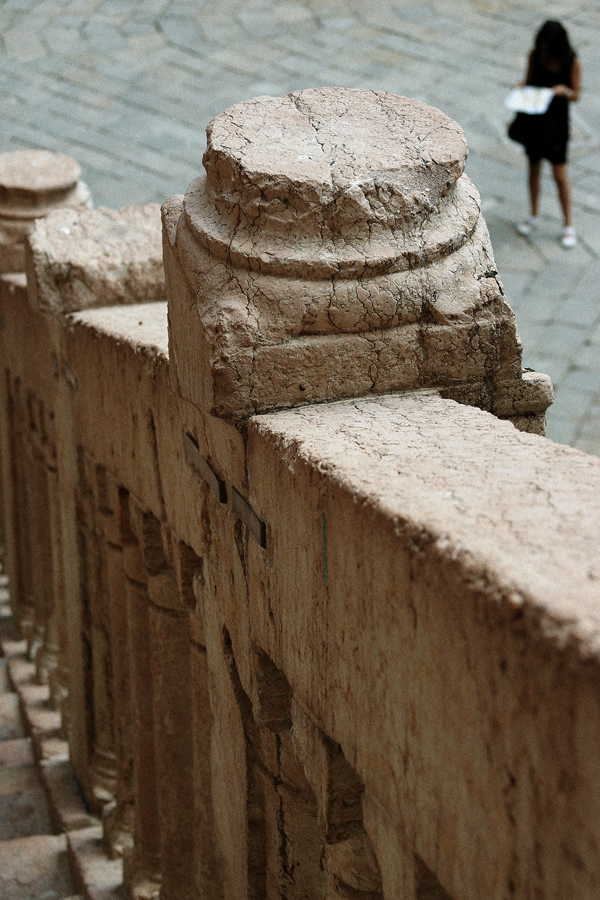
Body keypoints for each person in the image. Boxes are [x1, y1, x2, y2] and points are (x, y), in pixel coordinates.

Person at [516, 20, 581, 248]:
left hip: (556, 123)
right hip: (535, 119)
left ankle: (568, 224)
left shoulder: (571, 60)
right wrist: (520, 88)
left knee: (559, 173)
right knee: (533, 168)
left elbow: (576, 94)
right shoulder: (535, 55)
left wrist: (564, 91)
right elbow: (528, 82)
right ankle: (533, 214)